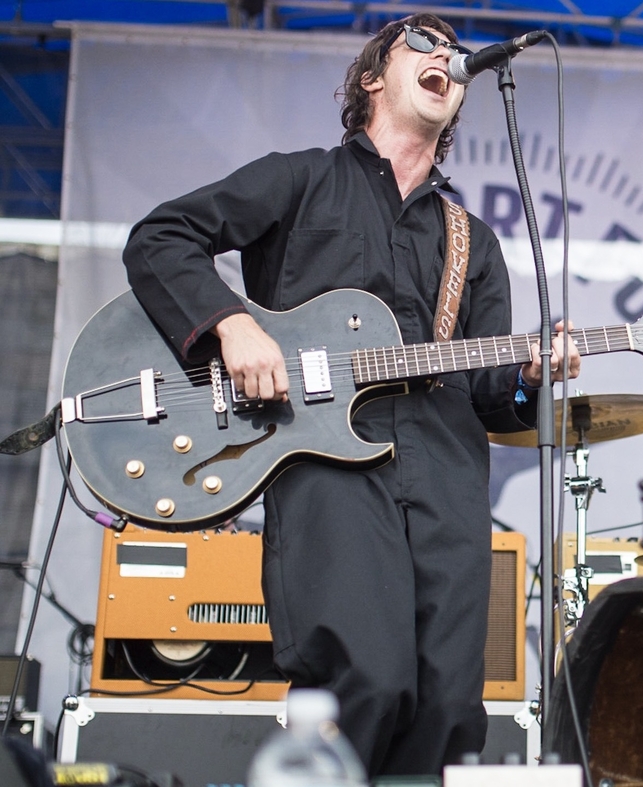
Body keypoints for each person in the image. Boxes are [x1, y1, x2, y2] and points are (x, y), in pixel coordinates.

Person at [121, 15, 580, 776]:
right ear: (373, 77)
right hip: (328, 464)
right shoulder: (301, 179)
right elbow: (160, 236)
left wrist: (530, 375)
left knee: (450, 705)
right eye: (423, 44)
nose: (445, 56)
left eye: (451, 51)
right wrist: (232, 325)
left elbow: (490, 398)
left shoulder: (473, 240)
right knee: (366, 679)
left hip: (444, 475)